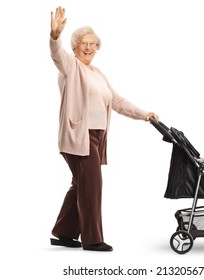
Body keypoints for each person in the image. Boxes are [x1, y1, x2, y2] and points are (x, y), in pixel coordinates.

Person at [49, 6, 159, 252]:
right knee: (92, 186)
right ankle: (92, 240)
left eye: (93, 44)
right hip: (79, 136)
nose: (89, 48)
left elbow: (116, 101)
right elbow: (57, 54)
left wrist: (144, 114)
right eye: (83, 43)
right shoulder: (71, 67)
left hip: (97, 137)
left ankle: (64, 233)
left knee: (82, 184)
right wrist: (55, 36)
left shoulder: (98, 73)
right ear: (75, 46)